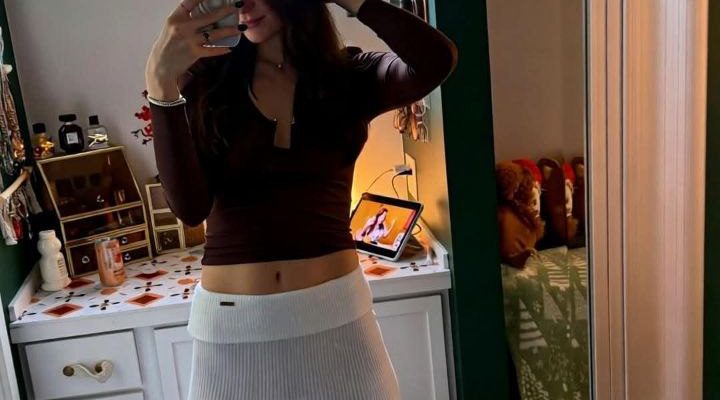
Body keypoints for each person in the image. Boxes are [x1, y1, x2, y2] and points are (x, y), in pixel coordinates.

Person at [145, 0, 457, 398]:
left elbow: (436, 60)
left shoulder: (347, 75)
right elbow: (189, 209)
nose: (245, 4)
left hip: (339, 324)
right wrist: (160, 86)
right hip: (232, 335)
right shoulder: (204, 83)